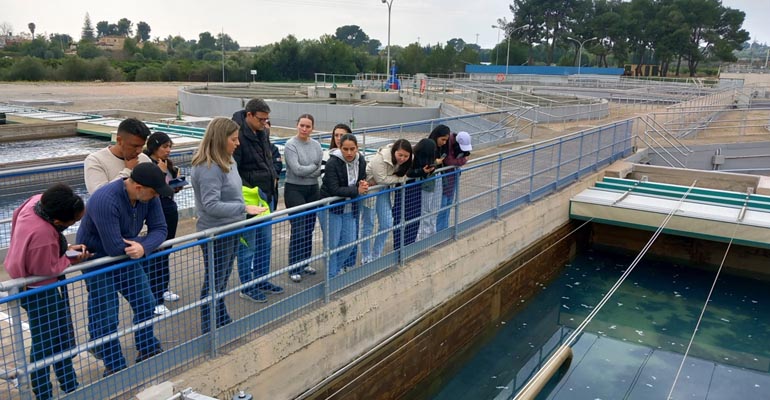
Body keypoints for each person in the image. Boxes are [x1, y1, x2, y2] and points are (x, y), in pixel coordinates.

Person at [76, 162, 172, 377]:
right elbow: (114, 246)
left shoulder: (150, 196)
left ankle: (147, 347)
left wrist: (143, 246)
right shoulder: (104, 200)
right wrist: (143, 243)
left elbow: (161, 229)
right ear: (138, 187)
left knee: (146, 304)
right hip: (98, 260)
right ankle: (114, 364)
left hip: (128, 256)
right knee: (107, 315)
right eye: (154, 192)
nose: (157, 196)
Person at [3, 184, 88, 400]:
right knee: (45, 344)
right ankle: (44, 392)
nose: (74, 225)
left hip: (27, 280)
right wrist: (70, 257)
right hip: (39, 291)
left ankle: (69, 384)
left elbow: (17, 217)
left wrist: (62, 247)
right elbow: (48, 268)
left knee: (58, 337)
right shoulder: (42, 235)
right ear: (58, 221)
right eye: (72, 222)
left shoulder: (37, 201)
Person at [191, 118, 267, 332]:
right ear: (219, 139)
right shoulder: (208, 168)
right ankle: (210, 325)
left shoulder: (228, 160)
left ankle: (220, 315)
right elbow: (210, 205)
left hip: (232, 228)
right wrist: (243, 209)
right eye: (233, 139)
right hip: (216, 232)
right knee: (214, 280)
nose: (238, 143)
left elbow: (234, 191)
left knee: (223, 277)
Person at [231, 99, 282, 301]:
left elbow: (269, 160)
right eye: (261, 119)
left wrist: (273, 178)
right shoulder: (237, 136)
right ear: (249, 115)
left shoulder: (262, 133)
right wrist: (252, 191)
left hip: (266, 196)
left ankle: (261, 279)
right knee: (248, 245)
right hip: (251, 199)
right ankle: (247, 286)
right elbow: (234, 170)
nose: (264, 123)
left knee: (265, 242)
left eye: (266, 119)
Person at [142, 132, 181, 315]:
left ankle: (163, 288)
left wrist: (176, 183)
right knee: (156, 253)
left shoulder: (168, 164)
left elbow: (168, 188)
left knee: (166, 250)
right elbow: (153, 187)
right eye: (164, 147)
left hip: (170, 208)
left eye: (169, 146)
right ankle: (154, 297)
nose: (168, 150)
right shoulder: (148, 165)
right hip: (156, 212)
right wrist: (162, 172)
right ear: (154, 147)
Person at [320, 134, 368, 277]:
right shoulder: (332, 163)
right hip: (332, 208)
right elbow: (334, 189)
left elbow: (361, 179)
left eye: (352, 149)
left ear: (357, 148)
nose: (349, 153)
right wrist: (357, 190)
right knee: (332, 244)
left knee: (349, 242)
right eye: (345, 149)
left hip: (349, 208)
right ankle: (331, 277)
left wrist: (363, 184)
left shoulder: (361, 161)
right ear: (339, 148)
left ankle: (335, 269)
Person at [284, 114, 323, 282]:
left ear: (312, 128)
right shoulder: (290, 145)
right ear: (297, 125)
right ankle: (294, 266)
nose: (304, 129)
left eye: (308, 126)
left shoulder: (317, 145)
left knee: (309, 228)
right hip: (294, 190)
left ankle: (305, 262)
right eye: (302, 125)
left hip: (313, 189)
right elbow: (296, 170)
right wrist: (314, 167)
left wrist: (313, 168)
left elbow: (319, 167)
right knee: (298, 228)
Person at [360, 139, 413, 263]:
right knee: (368, 224)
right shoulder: (381, 158)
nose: (403, 159)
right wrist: (400, 179)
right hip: (370, 189)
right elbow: (382, 179)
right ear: (394, 152)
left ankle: (376, 254)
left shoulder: (408, 158)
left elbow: (384, 181)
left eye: (406, 156)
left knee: (387, 223)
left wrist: (395, 178)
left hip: (383, 190)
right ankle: (366, 255)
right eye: (400, 155)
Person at [84, 117, 152, 195]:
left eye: (142, 146)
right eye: (135, 146)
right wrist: (127, 171)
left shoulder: (144, 159)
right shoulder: (95, 160)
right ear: (119, 140)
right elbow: (98, 195)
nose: (139, 151)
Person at [393, 138, 436, 251]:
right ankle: (398, 248)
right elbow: (406, 173)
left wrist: (428, 170)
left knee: (414, 218)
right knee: (400, 219)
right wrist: (421, 171)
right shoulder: (409, 157)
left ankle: (409, 246)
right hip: (403, 190)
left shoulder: (422, 159)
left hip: (415, 190)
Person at [416, 125, 450, 240]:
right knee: (426, 209)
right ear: (437, 136)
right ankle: (423, 236)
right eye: (443, 139)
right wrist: (435, 162)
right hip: (428, 181)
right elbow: (423, 164)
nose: (444, 143)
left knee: (435, 206)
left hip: (437, 178)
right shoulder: (428, 145)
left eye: (446, 140)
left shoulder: (441, 148)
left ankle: (431, 232)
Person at [436, 131, 472, 232]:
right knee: (442, 206)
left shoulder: (455, 143)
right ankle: (438, 232)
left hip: (452, 178)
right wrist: (463, 160)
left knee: (448, 205)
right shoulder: (447, 143)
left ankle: (444, 230)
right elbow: (449, 160)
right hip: (444, 179)